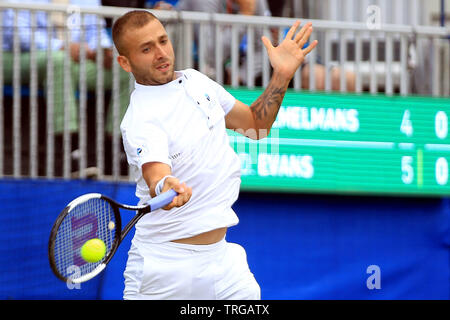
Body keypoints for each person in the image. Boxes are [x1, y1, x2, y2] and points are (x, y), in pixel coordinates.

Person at [112, 10, 317, 299]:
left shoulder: (198, 82)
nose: (161, 53)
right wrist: (165, 185)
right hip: (165, 268)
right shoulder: (141, 119)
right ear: (125, 62)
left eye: (163, 41)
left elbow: (256, 126)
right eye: (146, 49)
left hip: (223, 262)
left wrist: (281, 75)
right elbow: (156, 173)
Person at [2, 0, 131, 135]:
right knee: (59, 60)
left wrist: (101, 49)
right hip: (14, 57)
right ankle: (67, 140)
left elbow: (95, 32)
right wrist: (61, 46)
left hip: (73, 60)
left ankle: (118, 141)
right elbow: (16, 36)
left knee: (127, 67)